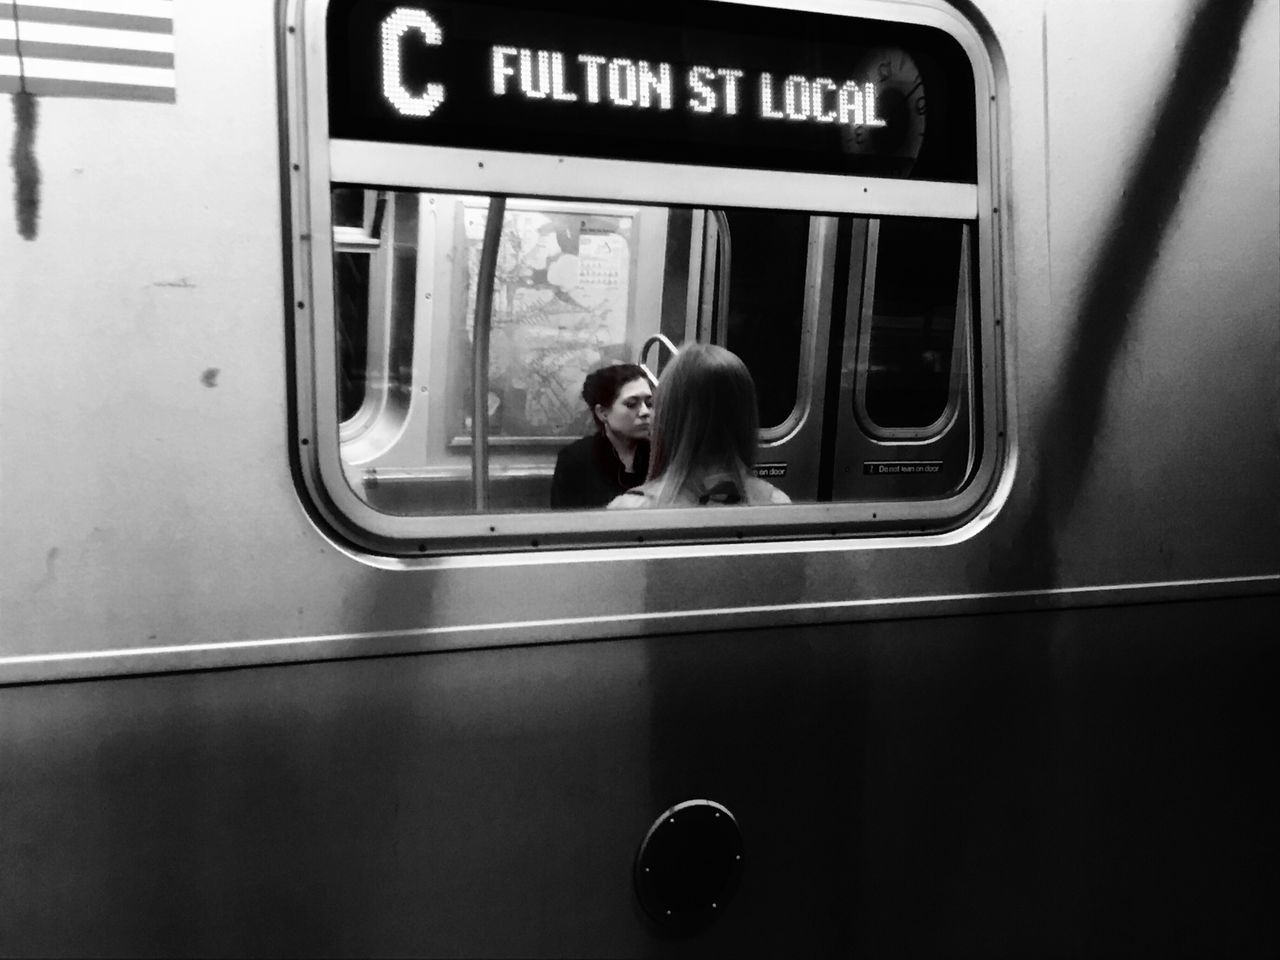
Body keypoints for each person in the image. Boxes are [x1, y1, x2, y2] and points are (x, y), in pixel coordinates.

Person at [608, 343, 790, 508]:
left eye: (652, 404)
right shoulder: (777, 503)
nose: (647, 413)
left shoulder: (630, 508)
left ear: (667, 418)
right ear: (746, 419)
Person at [550, 363, 653, 508]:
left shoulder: (661, 454)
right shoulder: (575, 459)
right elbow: (563, 523)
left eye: (649, 403)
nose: (645, 412)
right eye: (631, 404)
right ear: (603, 413)